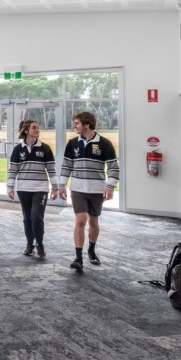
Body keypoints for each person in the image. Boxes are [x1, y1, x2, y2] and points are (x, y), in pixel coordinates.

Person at [55, 113, 119, 271]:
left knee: (93, 222)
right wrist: (61, 185)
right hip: (78, 189)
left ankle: (91, 250)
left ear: (87, 124)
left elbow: (113, 168)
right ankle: (78, 257)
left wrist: (110, 187)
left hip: (97, 190)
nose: (74, 126)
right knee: (80, 220)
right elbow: (66, 167)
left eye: (77, 123)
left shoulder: (105, 144)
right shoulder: (72, 144)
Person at [6, 120, 57, 257]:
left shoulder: (45, 148)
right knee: (27, 217)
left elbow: (51, 170)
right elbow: (12, 170)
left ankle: (40, 243)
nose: (37, 130)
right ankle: (30, 244)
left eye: (38, 127)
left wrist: (55, 187)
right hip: (23, 188)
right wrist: (10, 187)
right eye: (34, 127)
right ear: (26, 130)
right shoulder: (18, 149)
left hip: (41, 188)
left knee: (36, 216)